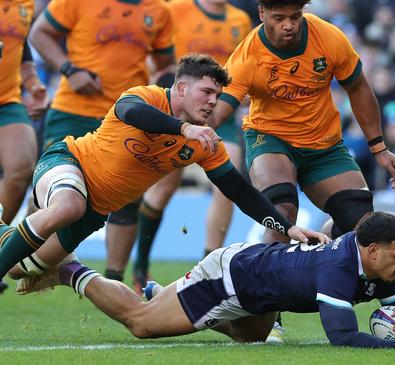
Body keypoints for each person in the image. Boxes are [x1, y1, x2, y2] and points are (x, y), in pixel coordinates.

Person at [0, 54, 328, 294]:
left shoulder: (206, 142)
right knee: (67, 206)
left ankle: (3, 228)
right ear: (181, 88)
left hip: (95, 210)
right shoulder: (148, 97)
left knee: (19, 268)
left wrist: (288, 227)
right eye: (207, 93)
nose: (214, 102)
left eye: (218, 96)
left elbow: (239, 192)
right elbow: (131, 113)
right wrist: (183, 128)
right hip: (68, 163)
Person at [211, 0, 395, 340]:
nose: (288, 25)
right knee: (282, 212)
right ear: (261, 14)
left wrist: (379, 147)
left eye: (295, 17)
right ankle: (272, 315)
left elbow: (358, 87)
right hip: (270, 139)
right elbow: (219, 111)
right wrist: (193, 130)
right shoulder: (248, 56)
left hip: (324, 146)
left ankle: (335, 246)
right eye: (279, 18)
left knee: (361, 224)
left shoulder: (328, 38)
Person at [16, 211, 395, 350]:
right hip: (230, 278)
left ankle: (162, 294)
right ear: (372, 252)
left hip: (260, 293)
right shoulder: (339, 268)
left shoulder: (374, 262)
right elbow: (342, 337)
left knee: (252, 341)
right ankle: (68, 268)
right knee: (143, 324)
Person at [29, 0, 177, 283]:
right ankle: (27, 253)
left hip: (129, 116)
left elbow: (165, 64)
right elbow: (39, 33)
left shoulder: (159, 11)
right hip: (74, 109)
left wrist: (168, 87)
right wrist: (70, 69)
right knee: (53, 186)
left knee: (128, 197)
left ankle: (113, 279)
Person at [124, 0, 253, 293]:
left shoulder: (239, 21)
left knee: (227, 183)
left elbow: (241, 69)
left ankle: (207, 268)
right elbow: (157, 56)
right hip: (179, 112)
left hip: (222, 113)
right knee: (164, 189)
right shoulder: (176, 10)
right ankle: (141, 268)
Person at [0, 0, 48, 294]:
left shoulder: (26, 4)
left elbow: (22, 46)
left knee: (21, 168)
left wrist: (32, 83)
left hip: (7, 99)